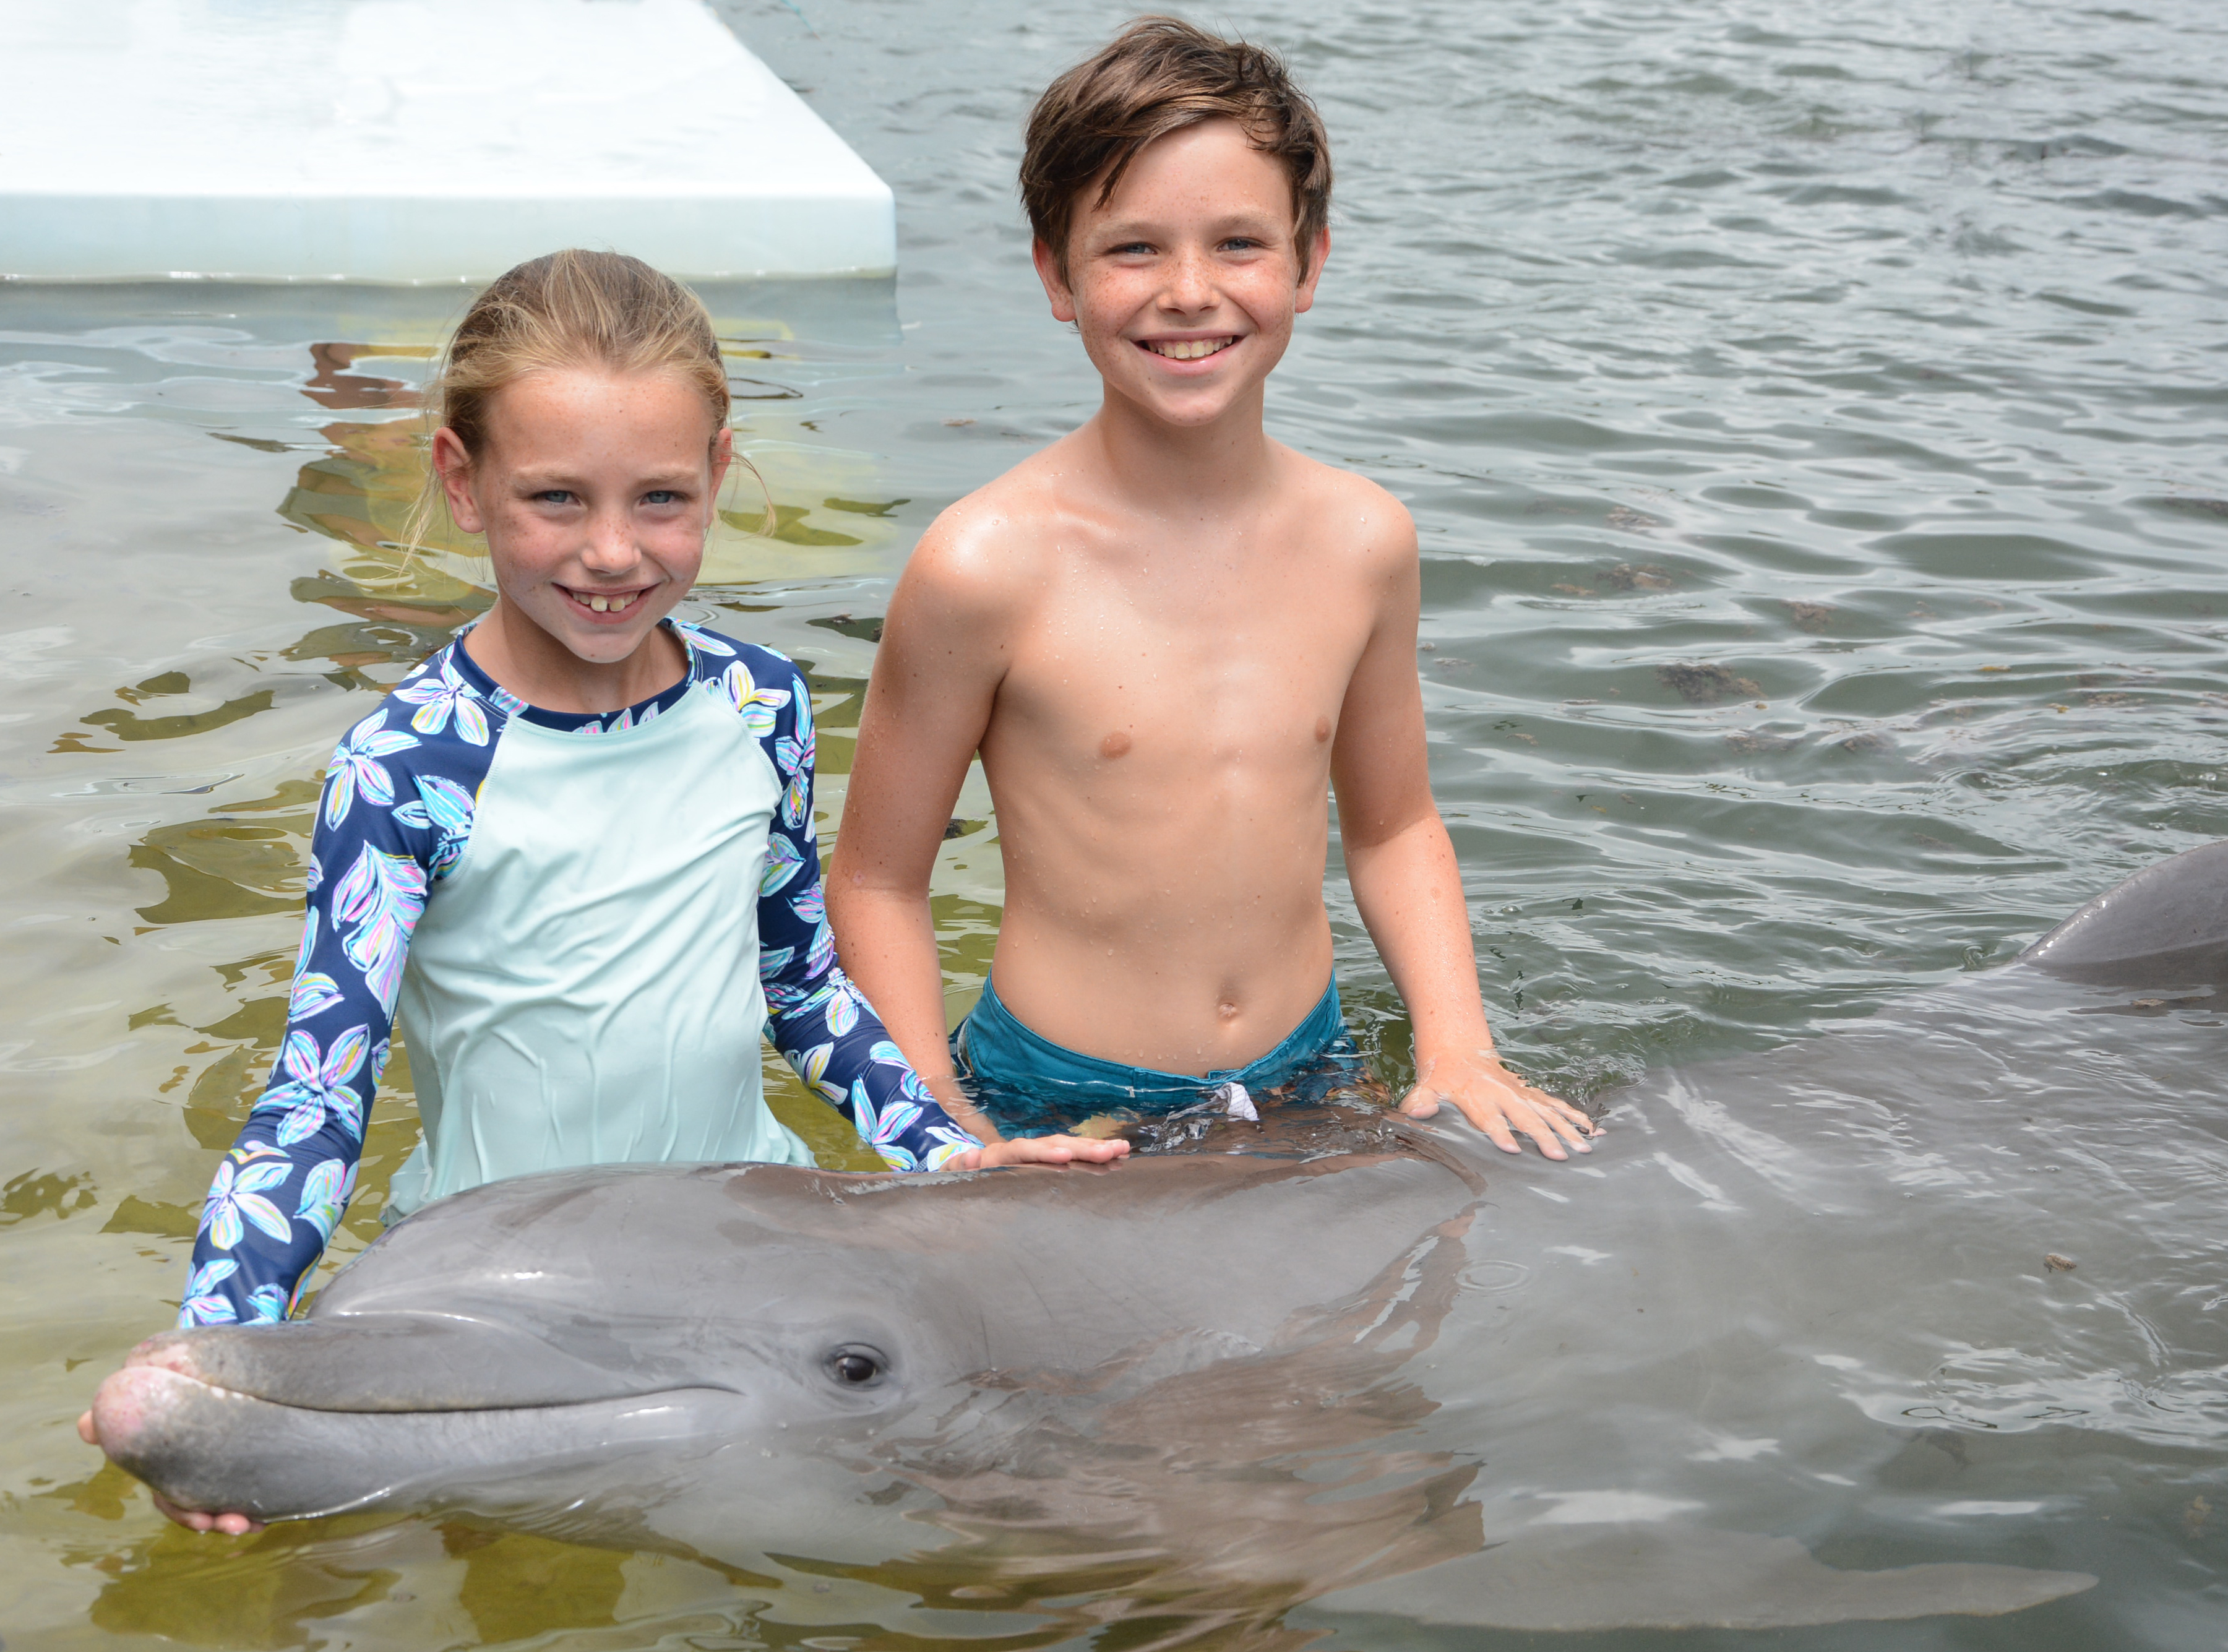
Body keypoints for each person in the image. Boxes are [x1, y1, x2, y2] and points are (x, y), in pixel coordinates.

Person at [84, 249, 1127, 1533]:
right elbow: (319, 1089)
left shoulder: (757, 705)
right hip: (500, 1290)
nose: (614, 553)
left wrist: (948, 1154)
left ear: (720, 476)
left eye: (661, 499)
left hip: (760, 1268)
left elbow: (799, 982)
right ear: (461, 483)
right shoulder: (410, 765)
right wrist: (229, 1351)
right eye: (557, 499)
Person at [827, 18, 1596, 1158]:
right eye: (1133, 249)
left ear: (1309, 263)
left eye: (1239, 244)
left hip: (1308, 1070)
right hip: (1056, 1091)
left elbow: (1393, 827)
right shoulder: (987, 563)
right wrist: (936, 1113)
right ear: (1055, 274)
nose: (1190, 293)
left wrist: (1456, 1046)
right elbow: (880, 878)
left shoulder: (1362, 539)